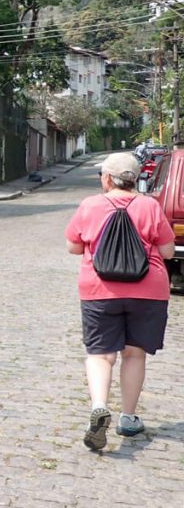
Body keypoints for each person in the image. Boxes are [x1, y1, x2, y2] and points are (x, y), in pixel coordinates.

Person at [65, 152, 175, 451]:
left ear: (107, 178)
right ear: (134, 178)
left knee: (100, 354)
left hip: (100, 290)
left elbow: (74, 246)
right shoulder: (150, 206)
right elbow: (167, 252)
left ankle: (99, 406)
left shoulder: (90, 205)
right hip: (148, 291)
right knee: (134, 354)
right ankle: (128, 418)